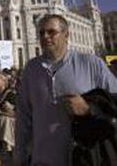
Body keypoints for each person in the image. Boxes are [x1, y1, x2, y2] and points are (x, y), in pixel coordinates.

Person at [14, 14, 117, 166]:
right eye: (41, 33)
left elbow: (114, 100)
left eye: (51, 32)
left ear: (66, 34)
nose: (45, 37)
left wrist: (90, 108)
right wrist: (20, 154)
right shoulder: (31, 69)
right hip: (42, 159)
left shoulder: (92, 64)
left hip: (84, 157)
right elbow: (24, 116)